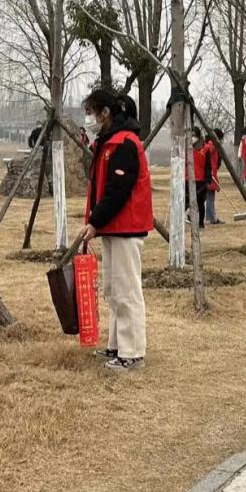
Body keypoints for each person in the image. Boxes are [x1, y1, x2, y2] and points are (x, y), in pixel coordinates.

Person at [79, 89, 153, 372]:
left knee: (127, 291)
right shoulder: (108, 142)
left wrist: (95, 221)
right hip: (112, 227)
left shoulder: (125, 143)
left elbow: (117, 191)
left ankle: (132, 353)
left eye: (91, 112)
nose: (89, 119)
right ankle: (116, 345)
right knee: (113, 289)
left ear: (105, 113)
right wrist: (97, 222)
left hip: (126, 227)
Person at [185, 127, 211, 229]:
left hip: (201, 179)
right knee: (187, 201)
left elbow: (208, 165)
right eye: (191, 135)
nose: (192, 138)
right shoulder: (186, 146)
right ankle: (187, 217)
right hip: (187, 178)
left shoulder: (205, 148)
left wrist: (208, 178)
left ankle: (201, 222)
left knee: (200, 202)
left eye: (194, 135)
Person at [204, 128, 224, 225]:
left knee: (209, 197)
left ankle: (212, 216)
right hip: (210, 174)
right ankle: (212, 217)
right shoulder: (212, 146)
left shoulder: (210, 145)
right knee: (210, 197)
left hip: (212, 172)